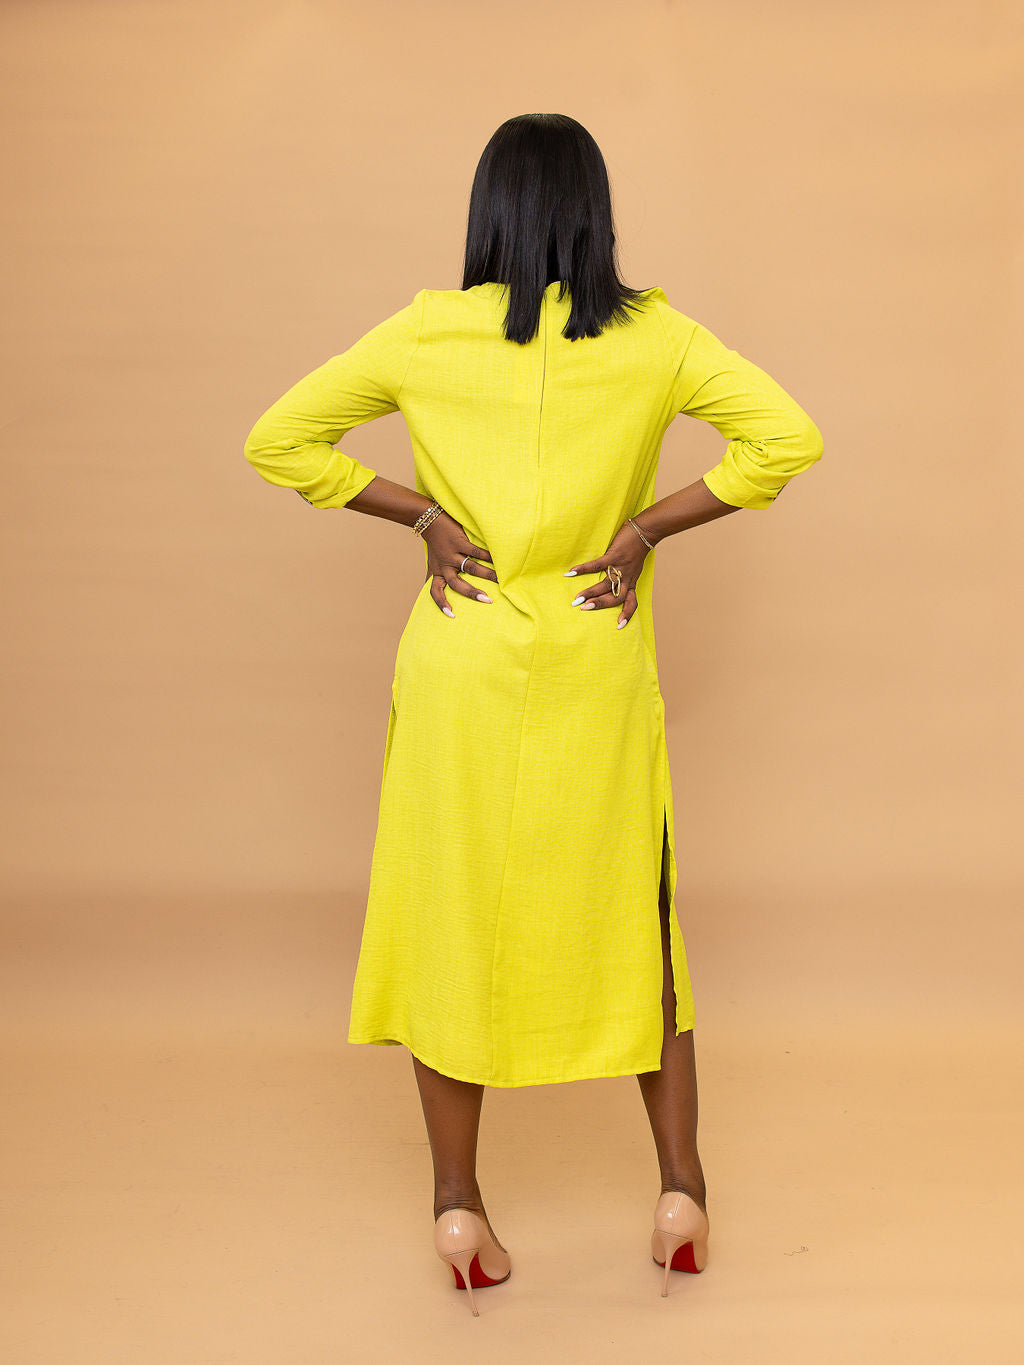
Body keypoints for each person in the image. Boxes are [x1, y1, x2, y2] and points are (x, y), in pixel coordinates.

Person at [243, 112, 823, 1314]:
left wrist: (420, 517)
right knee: (639, 922)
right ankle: (681, 1193)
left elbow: (278, 441)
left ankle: (458, 1207)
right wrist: (645, 528)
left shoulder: (426, 331)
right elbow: (785, 440)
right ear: (596, 213)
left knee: (451, 917)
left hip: (459, 661)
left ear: (489, 212)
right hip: (594, 661)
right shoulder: (656, 336)